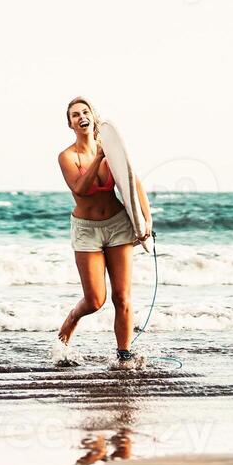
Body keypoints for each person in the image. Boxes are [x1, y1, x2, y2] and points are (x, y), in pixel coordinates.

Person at [54, 97, 152, 369]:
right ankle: (73, 318)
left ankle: (124, 355)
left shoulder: (111, 150)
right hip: (87, 231)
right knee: (95, 300)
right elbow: (81, 189)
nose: (81, 117)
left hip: (118, 225)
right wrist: (98, 158)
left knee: (122, 296)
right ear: (70, 123)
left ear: (93, 117)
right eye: (75, 115)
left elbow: (133, 185)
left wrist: (146, 222)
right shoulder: (67, 157)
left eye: (85, 112)